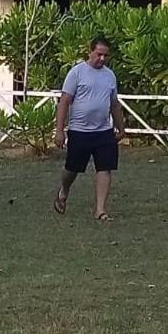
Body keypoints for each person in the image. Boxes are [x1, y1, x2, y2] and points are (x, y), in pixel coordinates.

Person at [53, 36, 125, 221]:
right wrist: (59, 131)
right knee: (72, 169)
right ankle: (64, 190)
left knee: (105, 168)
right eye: (99, 54)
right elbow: (64, 102)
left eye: (105, 56)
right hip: (79, 131)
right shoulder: (76, 73)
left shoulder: (109, 76)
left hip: (103, 131)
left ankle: (100, 210)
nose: (102, 59)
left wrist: (120, 128)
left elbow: (114, 104)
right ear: (90, 51)